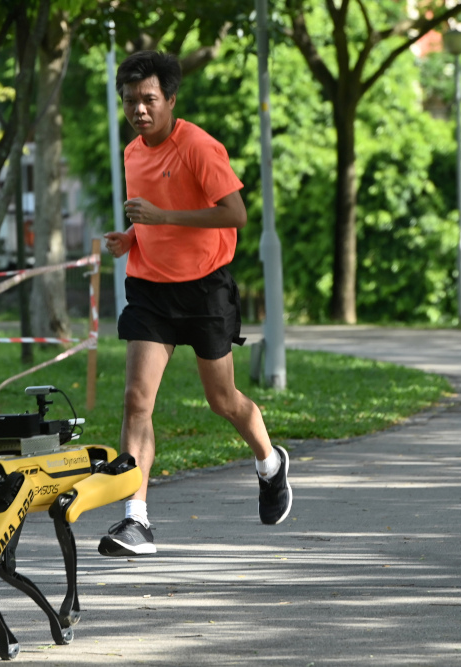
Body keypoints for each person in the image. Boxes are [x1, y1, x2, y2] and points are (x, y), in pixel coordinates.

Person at [100, 50, 291, 558]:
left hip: (205, 288)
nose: (139, 110)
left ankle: (270, 464)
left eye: (148, 100)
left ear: (170, 99)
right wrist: (133, 238)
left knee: (222, 401)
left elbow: (235, 214)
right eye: (130, 101)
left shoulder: (200, 147)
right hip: (150, 290)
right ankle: (135, 519)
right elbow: (152, 218)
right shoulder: (132, 152)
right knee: (137, 400)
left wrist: (162, 218)